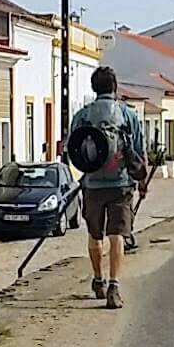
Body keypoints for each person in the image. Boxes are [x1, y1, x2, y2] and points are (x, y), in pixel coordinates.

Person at [67, 67, 147, 308]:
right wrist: (142, 183)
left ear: (94, 88)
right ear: (115, 87)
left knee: (95, 235)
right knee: (117, 236)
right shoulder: (127, 114)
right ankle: (114, 287)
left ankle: (97, 279)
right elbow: (140, 152)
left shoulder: (82, 115)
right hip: (121, 184)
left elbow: (74, 150)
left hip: (92, 184)